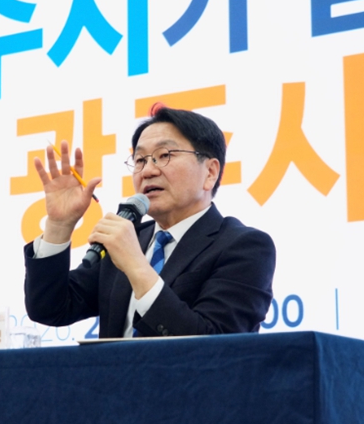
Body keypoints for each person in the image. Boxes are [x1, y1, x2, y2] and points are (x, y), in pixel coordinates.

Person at [24, 105, 276, 337]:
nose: (147, 171)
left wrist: (137, 266)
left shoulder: (245, 247)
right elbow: (50, 308)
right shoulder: (128, 239)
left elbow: (216, 345)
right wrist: (58, 226)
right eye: (140, 160)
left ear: (210, 172)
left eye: (164, 155)